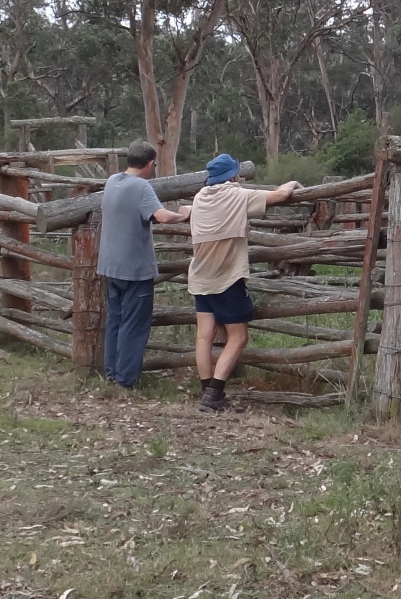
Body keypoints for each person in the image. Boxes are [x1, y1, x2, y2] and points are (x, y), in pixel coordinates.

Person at [186, 153, 303, 412]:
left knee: (204, 336)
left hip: (200, 275)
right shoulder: (237, 195)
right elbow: (280, 196)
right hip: (226, 277)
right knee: (238, 336)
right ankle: (214, 394)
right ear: (234, 176)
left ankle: (206, 389)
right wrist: (293, 183)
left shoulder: (200, 197)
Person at [94, 140, 186, 389]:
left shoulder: (112, 181)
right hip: (134, 269)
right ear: (149, 163)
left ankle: (112, 372)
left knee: (115, 320)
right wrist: (185, 214)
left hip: (111, 265)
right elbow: (161, 216)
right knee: (134, 325)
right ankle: (125, 379)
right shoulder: (141, 186)